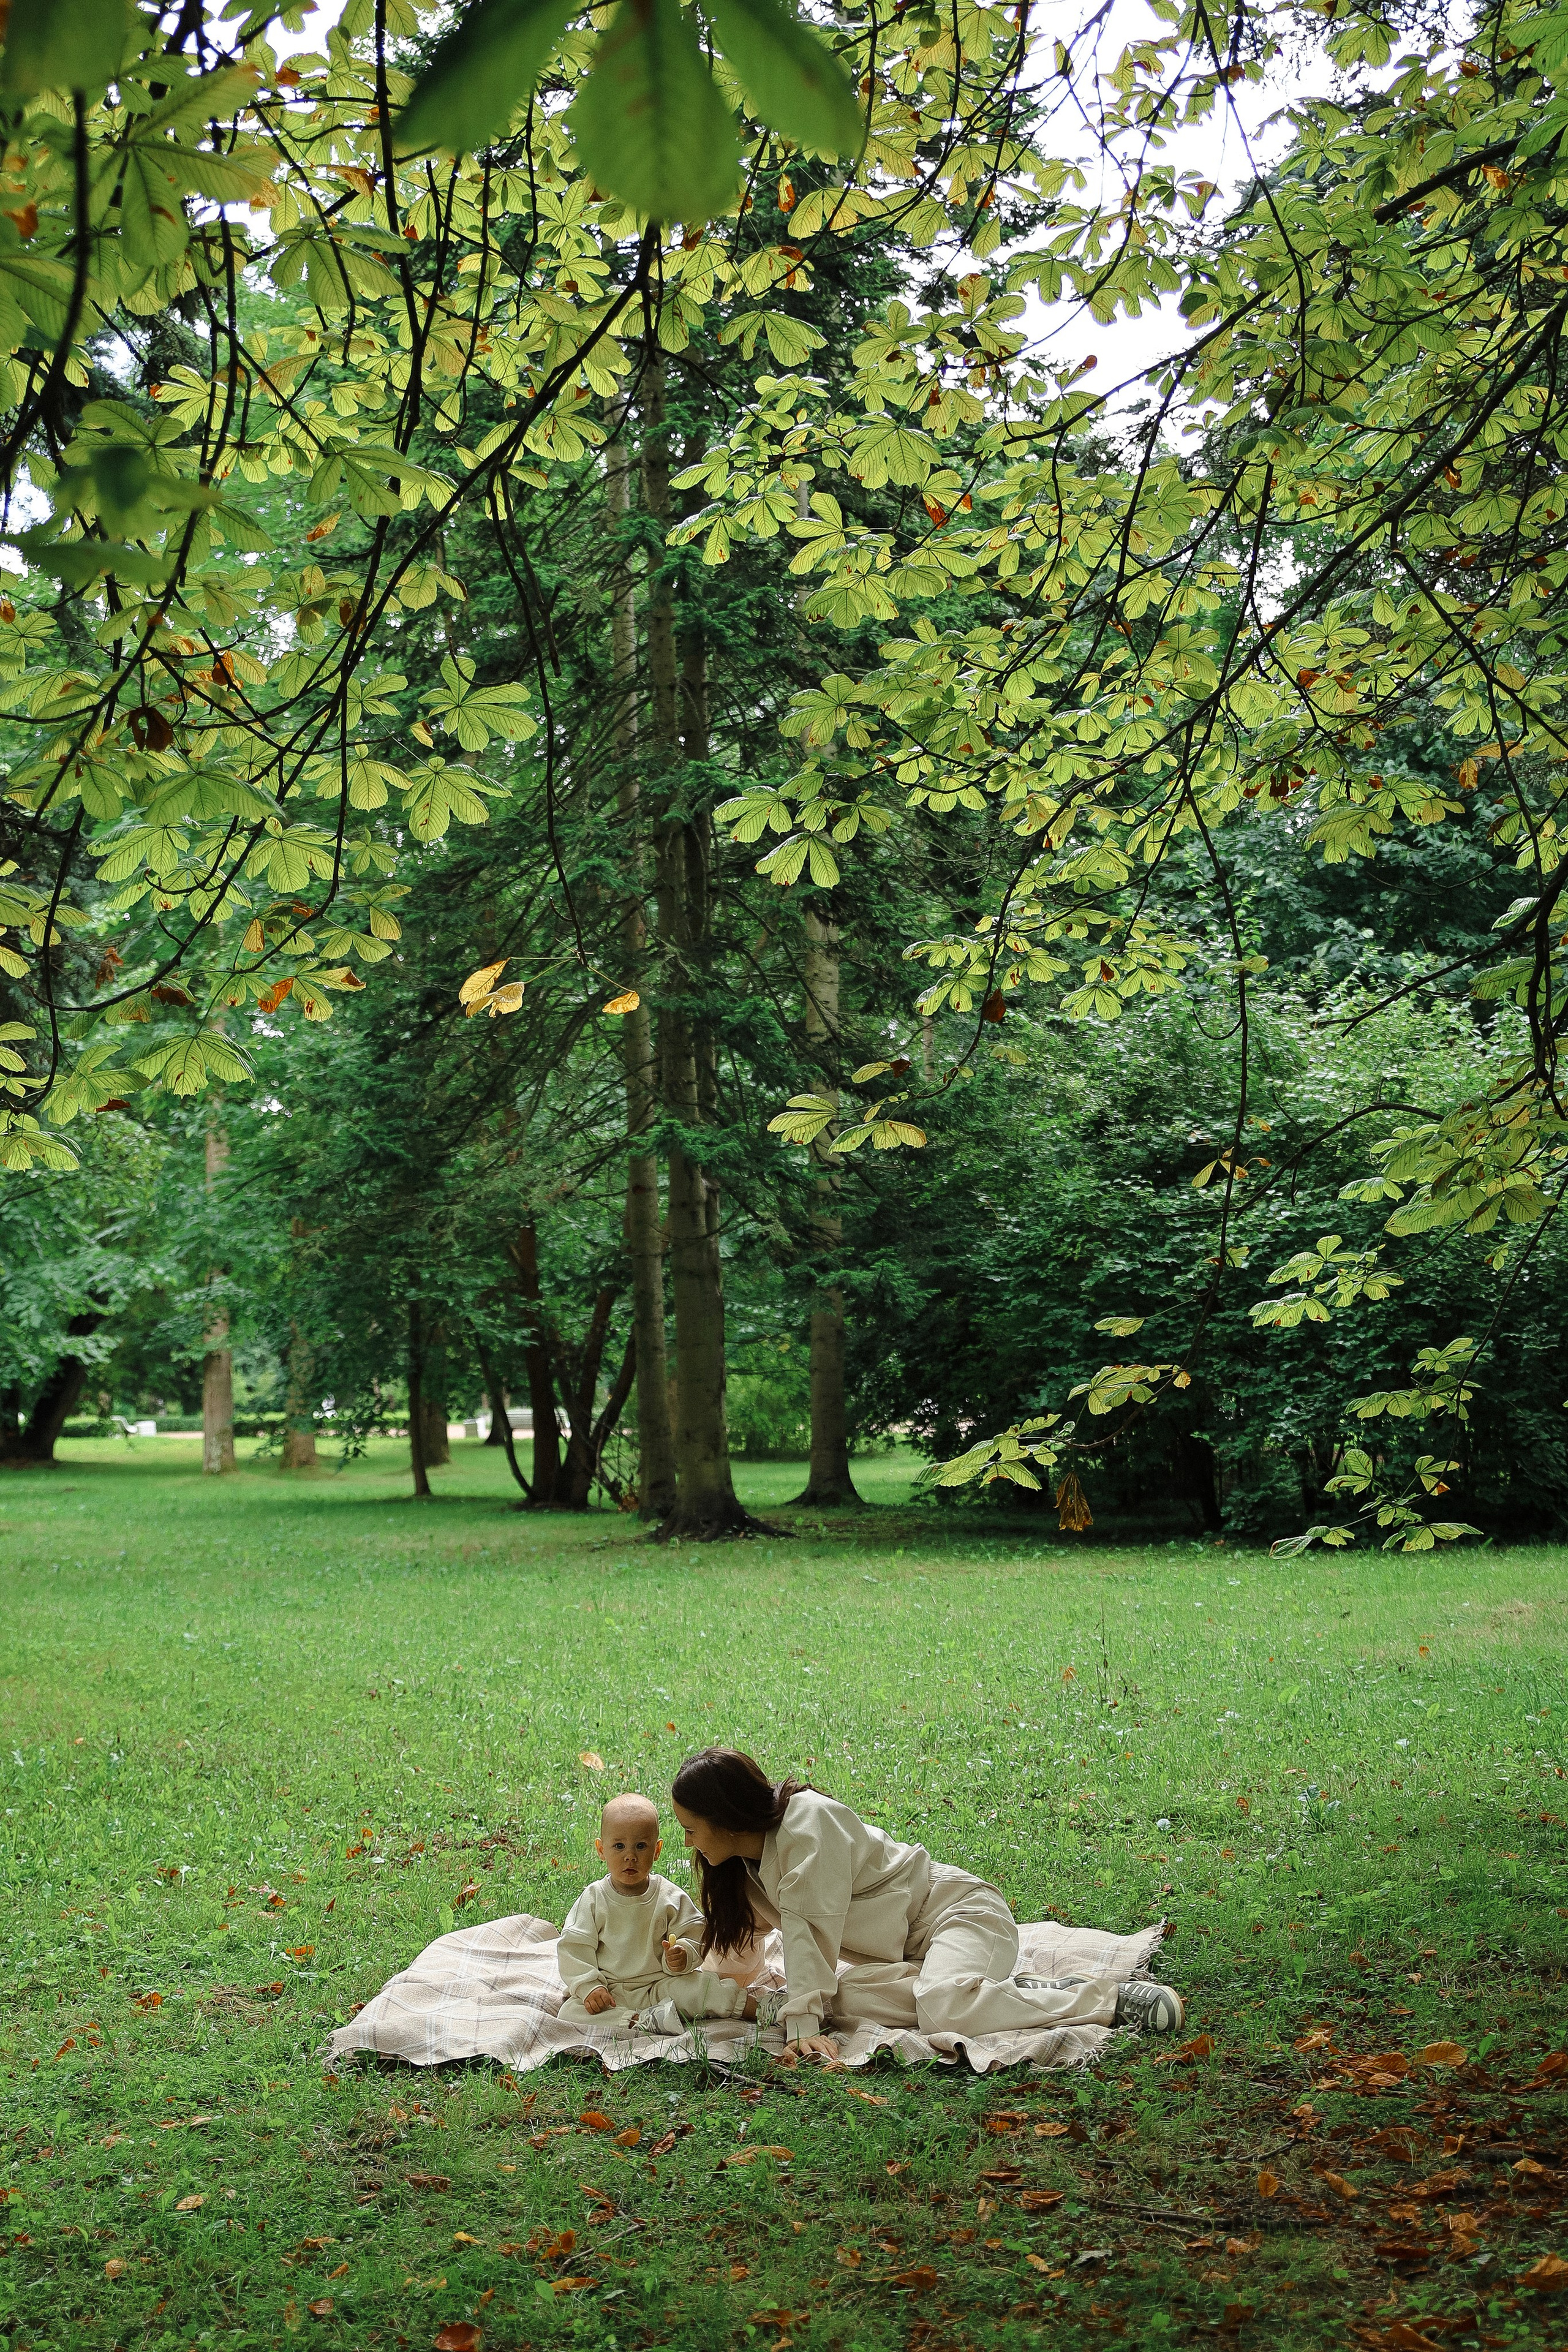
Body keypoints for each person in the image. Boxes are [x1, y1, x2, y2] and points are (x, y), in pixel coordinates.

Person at [671, 1747, 1185, 2060]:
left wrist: (800, 2029)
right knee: (835, 1999)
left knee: (939, 2007)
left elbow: (809, 1931)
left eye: (691, 1829)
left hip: (959, 1915)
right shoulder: (744, 1871)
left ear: (726, 1819)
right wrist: (682, 1970)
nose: (688, 1842)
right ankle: (1000, 1993)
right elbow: (735, 1955)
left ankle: (1109, 2000)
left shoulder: (808, 1823)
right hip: (913, 1960)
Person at [555, 1792, 756, 2031]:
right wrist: (590, 1987)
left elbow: (696, 1933)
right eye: (619, 1846)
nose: (630, 1856)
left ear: (657, 1850)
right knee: (570, 2011)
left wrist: (683, 1955)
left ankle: (758, 2007)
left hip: (663, 1984)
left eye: (641, 1846)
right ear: (601, 1849)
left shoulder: (669, 1896)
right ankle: (640, 2021)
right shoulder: (595, 1898)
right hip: (612, 1989)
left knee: (702, 1989)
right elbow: (574, 1947)